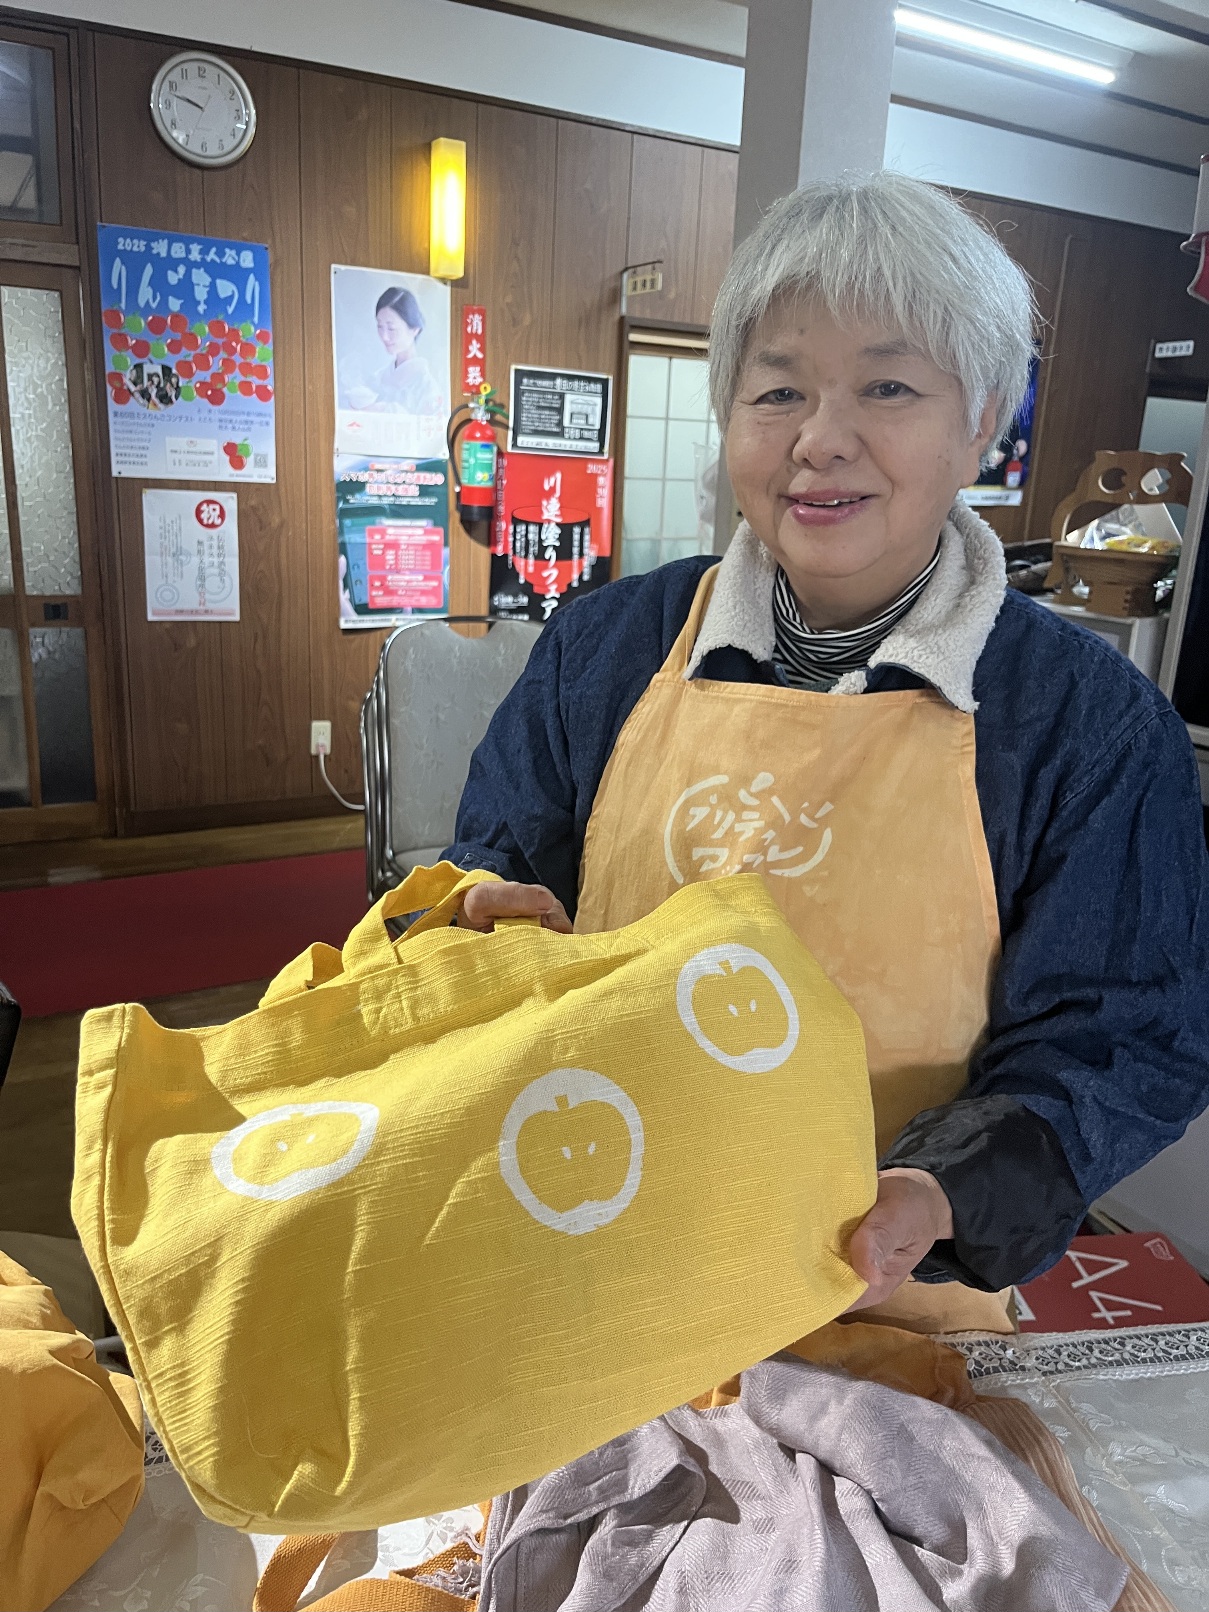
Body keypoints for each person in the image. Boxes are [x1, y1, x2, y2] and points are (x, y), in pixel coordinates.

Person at [442, 171, 1209, 1332]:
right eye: (779, 391)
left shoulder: (1087, 723)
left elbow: (1124, 1038)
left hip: (889, 1296)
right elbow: (493, 864)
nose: (819, 440)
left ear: (981, 421)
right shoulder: (608, 647)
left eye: (887, 387)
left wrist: (945, 1189)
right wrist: (479, 924)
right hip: (596, 1254)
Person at [359, 285, 443, 417]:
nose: (384, 336)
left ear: (414, 329)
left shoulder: (427, 387)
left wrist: (390, 410)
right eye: (380, 326)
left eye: (391, 328)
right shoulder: (377, 378)